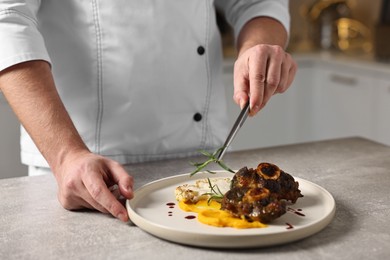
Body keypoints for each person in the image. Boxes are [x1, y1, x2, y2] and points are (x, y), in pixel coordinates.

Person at [0, 1, 297, 222]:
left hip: (204, 165)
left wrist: (258, 47)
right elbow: (8, 18)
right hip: (84, 174)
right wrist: (65, 156)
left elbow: (258, 3)